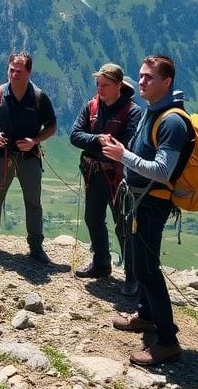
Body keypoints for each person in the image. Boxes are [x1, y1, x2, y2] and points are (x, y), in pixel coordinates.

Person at [101, 55, 186, 366]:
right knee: (139, 264)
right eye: (141, 75)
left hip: (153, 202)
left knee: (147, 270)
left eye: (150, 77)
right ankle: (147, 316)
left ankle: (167, 340)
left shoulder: (172, 121)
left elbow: (163, 170)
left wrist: (123, 156)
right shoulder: (154, 112)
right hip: (141, 200)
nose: (142, 81)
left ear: (167, 82)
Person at [0, 51, 57, 263]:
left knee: (33, 203)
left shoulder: (39, 97)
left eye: (19, 71)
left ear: (29, 72)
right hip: (1, 157)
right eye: (11, 70)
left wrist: (34, 141)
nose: (14, 74)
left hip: (29, 158)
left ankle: (36, 247)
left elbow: (52, 126)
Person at [69, 63, 141, 290]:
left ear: (119, 85)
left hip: (119, 178)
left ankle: (133, 277)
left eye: (105, 85)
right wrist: (98, 139)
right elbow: (74, 136)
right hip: (93, 173)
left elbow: (129, 145)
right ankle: (101, 263)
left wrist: (96, 142)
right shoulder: (90, 107)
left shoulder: (132, 112)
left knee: (123, 225)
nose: (99, 89)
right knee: (92, 217)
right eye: (98, 84)